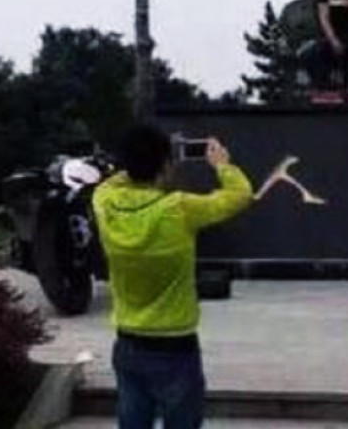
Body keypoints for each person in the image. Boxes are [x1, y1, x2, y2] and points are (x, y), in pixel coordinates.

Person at [91, 125, 255, 429]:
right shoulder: (179, 208)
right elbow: (240, 196)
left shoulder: (104, 202)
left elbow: (114, 181)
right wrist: (223, 166)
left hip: (127, 342)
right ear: (166, 164)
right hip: (175, 347)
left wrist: (138, 161)